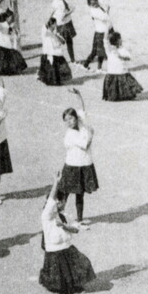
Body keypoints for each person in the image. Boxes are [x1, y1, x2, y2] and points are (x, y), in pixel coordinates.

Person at [39, 173, 95, 294]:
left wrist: (65, 226)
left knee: (82, 264)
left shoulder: (63, 215)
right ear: (58, 202)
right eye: (63, 201)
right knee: (62, 279)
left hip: (67, 248)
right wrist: (56, 182)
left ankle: (73, 286)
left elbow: (76, 230)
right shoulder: (47, 216)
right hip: (55, 251)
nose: (65, 203)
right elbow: (51, 200)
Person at [56, 90, 98, 225]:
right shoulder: (70, 135)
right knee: (65, 192)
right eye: (66, 120)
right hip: (72, 166)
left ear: (76, 118)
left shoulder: (81, 123)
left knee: (80, 194)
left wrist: (78, 95)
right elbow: (85, 145)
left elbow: (82, 109)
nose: (69, 121)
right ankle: (58, 213)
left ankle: (79, 219)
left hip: (84, 164)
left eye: (71, 118)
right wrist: (91, 134)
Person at [100, 30, 143, 101]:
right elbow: (105, 41)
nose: (121, 40)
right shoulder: (109, 50)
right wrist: (106, 31)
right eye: (119, 39)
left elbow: (129, 57)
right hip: (112, 72)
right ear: (116, 41)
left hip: (122, 72)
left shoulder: (123, 49)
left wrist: (121, 57)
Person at [80, 0, 110, 70]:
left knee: (101, 51)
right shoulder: (93, 11)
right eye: (92, 3)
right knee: (96, 52)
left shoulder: (98, 5)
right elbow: (105, 17)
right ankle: (86, 65)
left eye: (95, 1)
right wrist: (108, 10)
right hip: (100, 33)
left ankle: (97, 67)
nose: (95, 4)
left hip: (105, 31)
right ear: (89, 5)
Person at [37, 17, 73, 86]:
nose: (56, 25)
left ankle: (54, 80)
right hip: (50, 53)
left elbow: (63, 42)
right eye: (55, 24)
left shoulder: (53, 33)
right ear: (52, 24)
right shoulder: (47, 33)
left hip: (53, 53)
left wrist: (57, 36)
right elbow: (54, 43)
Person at [0, 10, 26, 76]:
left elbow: (16, 38)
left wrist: (17, 35)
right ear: (7, 18)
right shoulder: (1, 25)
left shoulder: (12, 27)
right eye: (10, 17)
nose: (11, 19)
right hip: (1, 45)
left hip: (8, 46)